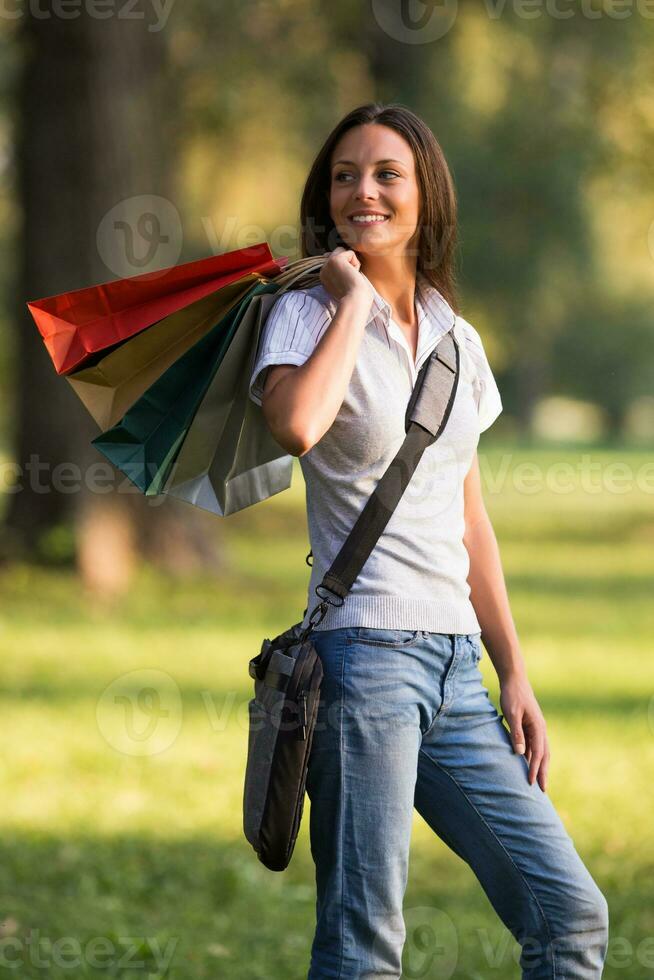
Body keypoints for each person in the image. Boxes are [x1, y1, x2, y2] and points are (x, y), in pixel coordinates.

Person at [248, 102, 609, 980]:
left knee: (571, 915)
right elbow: (297, 425)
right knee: (364, 942)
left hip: (456, 670)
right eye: (344, 176)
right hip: (362, 655)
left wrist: (512, 667)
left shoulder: (458, 337)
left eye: (384, 174)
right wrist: (350, 303)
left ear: (425, 195)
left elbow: (467, 513)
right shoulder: (302, 313)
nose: (361, 191)